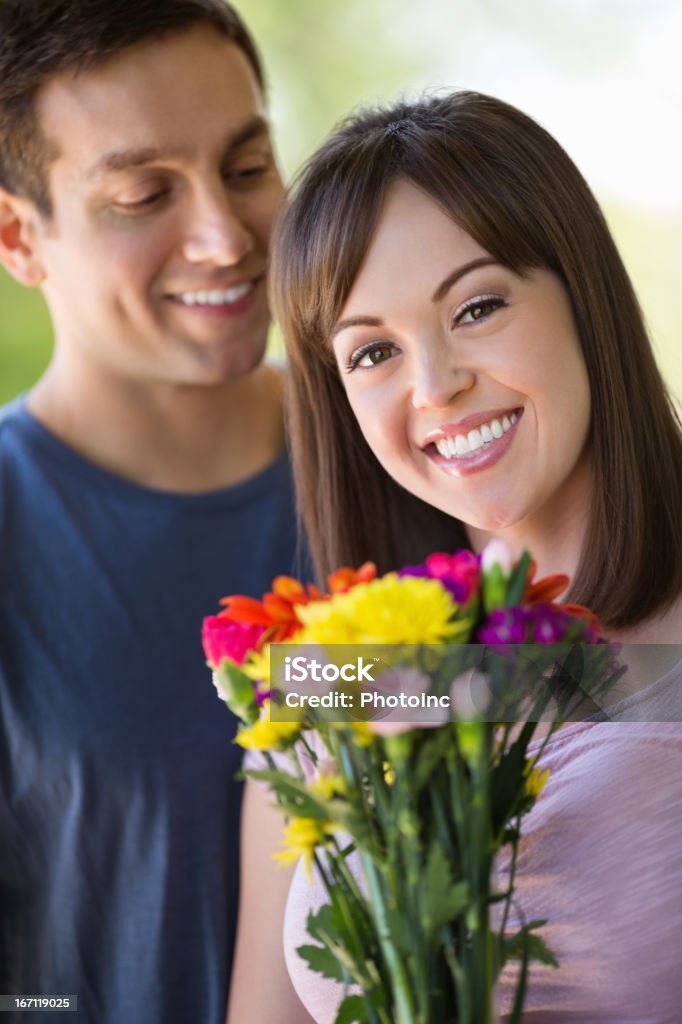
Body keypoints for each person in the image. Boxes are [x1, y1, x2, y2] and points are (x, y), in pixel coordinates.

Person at [227, 92, 682, 1022]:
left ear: (581, 294)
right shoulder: (332, 683)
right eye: (371, 353)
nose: (436, 386)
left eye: (476, 307)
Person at [0, 2, 306, 1022]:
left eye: (248, 166)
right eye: (143, 194)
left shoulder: (418, 457)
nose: (224, 237)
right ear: (18, 234)